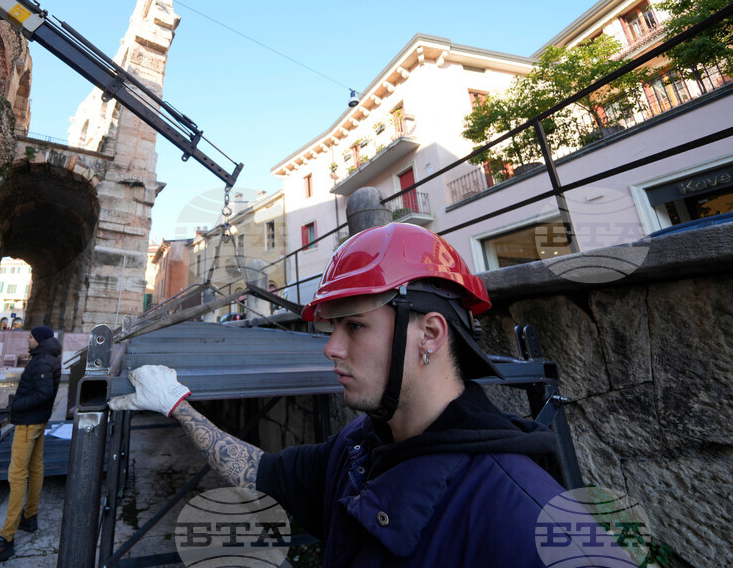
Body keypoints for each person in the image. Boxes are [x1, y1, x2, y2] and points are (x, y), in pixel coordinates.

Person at [111, 223, 636, 567]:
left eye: (355, 326)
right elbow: (261, 472)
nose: (331, 348)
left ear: (430, 334)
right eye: (331, 328)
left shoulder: (531, 520)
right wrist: (178, 405)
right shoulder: (359, 448)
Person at [0, 326, 62, 566]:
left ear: (39, 340)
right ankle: (30, 516)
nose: (27, 339)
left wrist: (16, 406)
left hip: (28, 423)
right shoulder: (49, 357)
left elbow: (43, 393)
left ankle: (6, 538)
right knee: (36, 466)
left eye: (30, 336)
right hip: (38, 420)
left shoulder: (42, 361)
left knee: (17, 475)